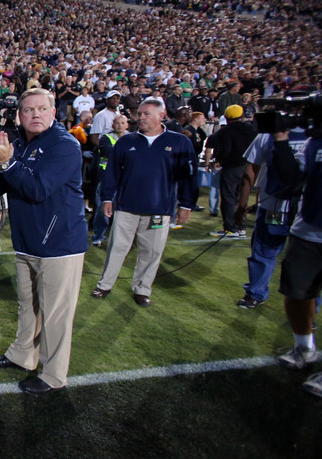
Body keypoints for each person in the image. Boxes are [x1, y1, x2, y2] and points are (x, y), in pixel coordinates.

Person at [0, 87, 88, 394]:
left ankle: (54, 376)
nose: (35, 115)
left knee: (55, 315)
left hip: (59, 244)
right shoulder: (18, 143)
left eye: (42, 109)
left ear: (54, 112)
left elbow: (39, 189)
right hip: (27, 241)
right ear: (19, 115)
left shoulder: (64, 145)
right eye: (28, 110)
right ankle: (22, 355)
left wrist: (9, 163)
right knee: (28, 306)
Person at [91, 98, 198, 307]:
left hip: (160, 208)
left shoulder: (179, 142)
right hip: (126, 206)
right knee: (116, 247)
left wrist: (186, 204)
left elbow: (189, 176)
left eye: (146, 114)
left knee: (151, 252)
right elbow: (112, 172)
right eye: (139, 114)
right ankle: (104, 285)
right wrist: (107, 197)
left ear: (161, 115)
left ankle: (142, 289)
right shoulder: (126, 141)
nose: (140, 117)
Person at [235, 112, 311, 310]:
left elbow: (251, 168)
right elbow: (251, 167)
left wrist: (242, 204)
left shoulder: (315, 134)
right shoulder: (271, 130)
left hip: (303, 209)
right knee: (266, 250)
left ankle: (304, 306)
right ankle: (257, 293)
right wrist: (242, 203)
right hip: (278, 206)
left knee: (303, 257)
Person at [270, 125, 322, 397]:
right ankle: (304, 347)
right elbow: (291, 177)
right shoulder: (314, 142)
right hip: (309, 231)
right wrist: (280, 140)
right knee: (296, 293)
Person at [206, 104, 257, 238]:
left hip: (232, 167)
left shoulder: (225, 131)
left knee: (228, 197)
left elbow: (226, 149)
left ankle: (230, 228)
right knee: (242, 197)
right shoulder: (251, 129)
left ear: (227, 117)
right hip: (249, 166)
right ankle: (241, 226)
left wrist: (219, 160)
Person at [91, 114, 129, 247]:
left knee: (123, 209)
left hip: (125, 178)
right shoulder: (105, 138)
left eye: (123, 123)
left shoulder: (132, 138)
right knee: (103, 208)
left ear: (127, 125)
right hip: (106, 177)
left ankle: (121, 237)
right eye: (117, 123)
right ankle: (98, 236)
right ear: (113, 125)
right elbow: (107, 152)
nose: (120, 125)